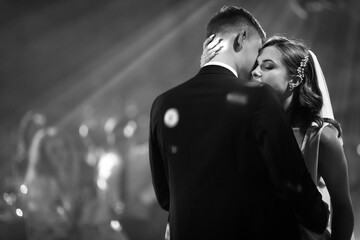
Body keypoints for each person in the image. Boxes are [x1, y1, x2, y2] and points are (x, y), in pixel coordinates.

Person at [149, 6, 329, 240]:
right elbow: (290, 181)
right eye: (257, 52)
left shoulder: (163, 103)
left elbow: (165, 196)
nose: (256, 66)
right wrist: (319, 216)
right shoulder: (257, 97)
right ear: (241, 39)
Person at [202, 34, 355, 240]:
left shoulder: (320, 138)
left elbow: (343, 206)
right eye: (256, 65)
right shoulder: (247, 129)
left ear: (294, 79)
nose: (255, 72)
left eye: (267, 66)